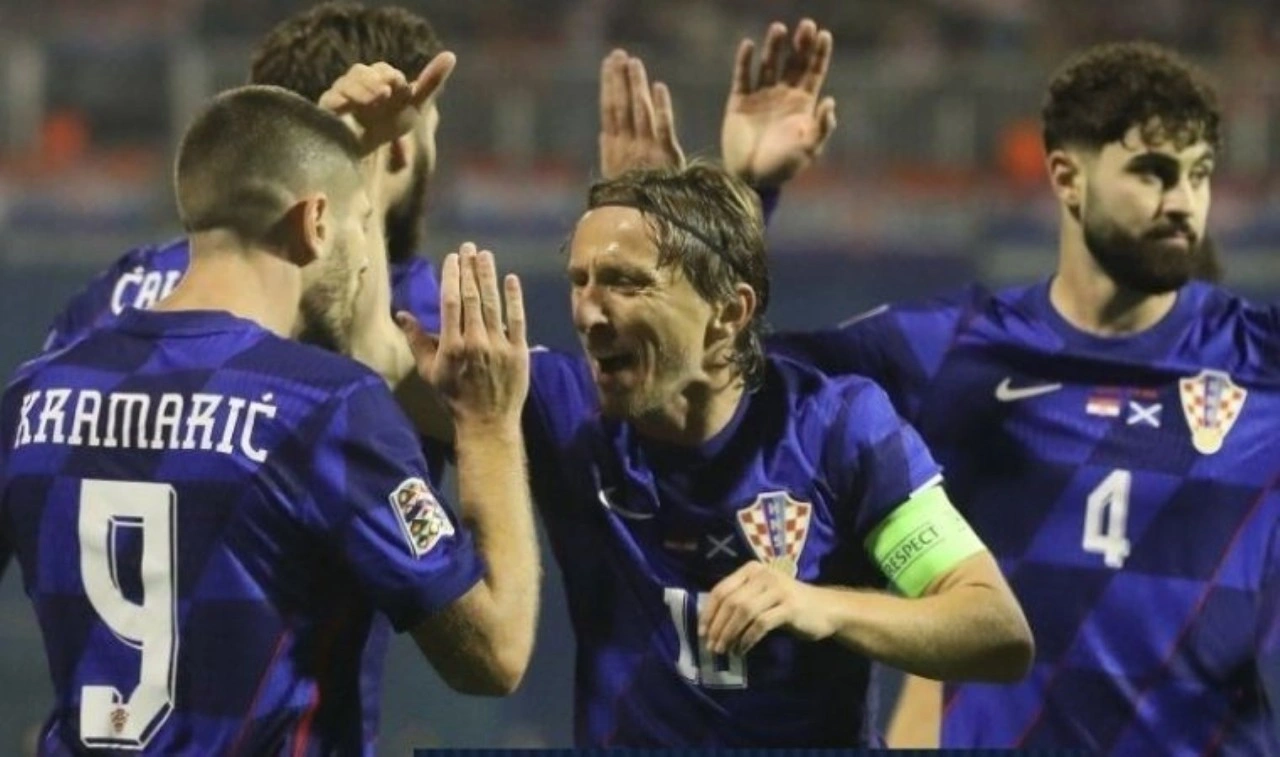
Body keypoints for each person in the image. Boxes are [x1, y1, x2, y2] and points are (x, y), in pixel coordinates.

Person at [0, 64, 539, 754]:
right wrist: (489, 424)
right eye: (362, 225)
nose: (366, 262)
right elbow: (494, 654)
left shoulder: (35, 393)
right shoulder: (324, 406)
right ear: (315, 222)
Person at [401, 158, 1033, 747]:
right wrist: (386, 166)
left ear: (728, 312)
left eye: (625, 282)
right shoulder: (559, 408)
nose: (588, 312)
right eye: (580, 280)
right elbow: (382, 359)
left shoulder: (837, 429)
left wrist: (822, 606)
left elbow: (995, 627)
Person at [763, 41, 1280, 754]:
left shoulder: (1260, 357)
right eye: (1153, 172)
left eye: (1199, 175)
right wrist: (749, 191)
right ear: (1067, 177)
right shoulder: (955, 348)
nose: (1183, 202)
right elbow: (742, 376)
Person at [43, 2, 447, 358]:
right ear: (400, 146)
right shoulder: (417, 306)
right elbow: (445, 405)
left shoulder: (122, 286)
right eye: (430, 130)